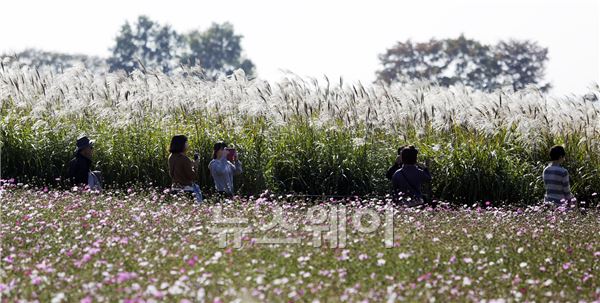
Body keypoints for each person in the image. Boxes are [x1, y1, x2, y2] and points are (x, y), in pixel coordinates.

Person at [168, 135, 203, 203]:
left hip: (175, 188)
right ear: (181, 144)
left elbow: (175, 170)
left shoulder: (171, 157)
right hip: (186, 189)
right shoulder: (184, 158)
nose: (187, 144)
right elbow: (192, 176)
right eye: (186, 142)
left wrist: (190, 164)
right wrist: (195, 166)